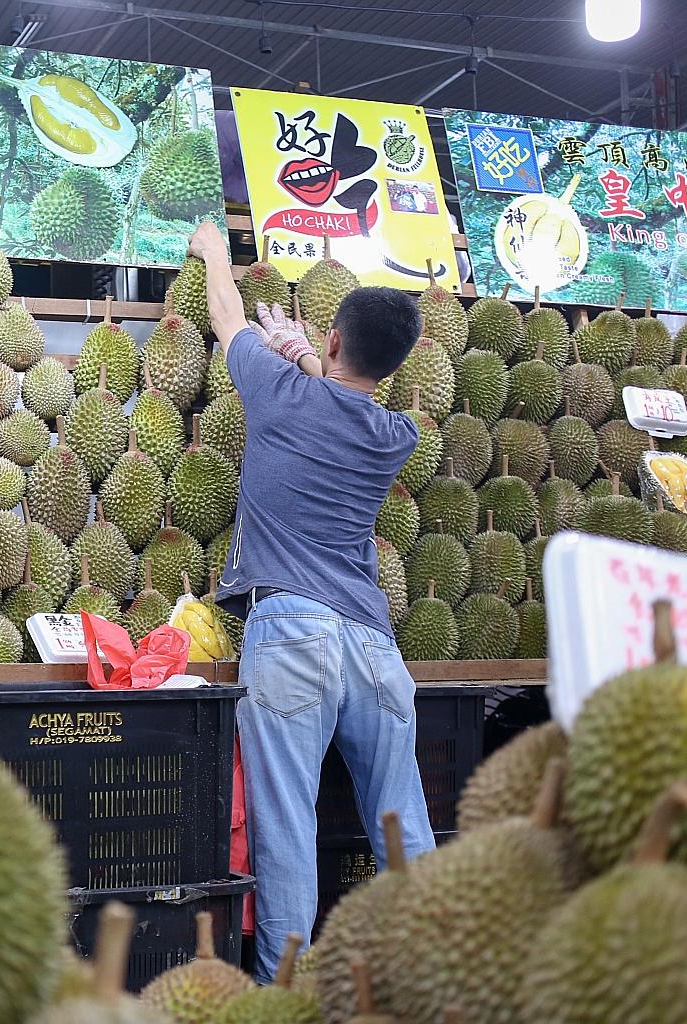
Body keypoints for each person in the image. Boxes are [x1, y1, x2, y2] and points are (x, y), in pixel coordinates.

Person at [186, 220, 435, 983]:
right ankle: (436, 973)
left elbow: (229, 316)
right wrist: (306, 354)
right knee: (404, 824)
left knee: (287, 825)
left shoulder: (278, 393)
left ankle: (286, 993)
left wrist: (215, 253)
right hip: (373, 647)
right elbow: (343, 397)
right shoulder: (397, 433)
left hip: (291, 630)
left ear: (332, 340)